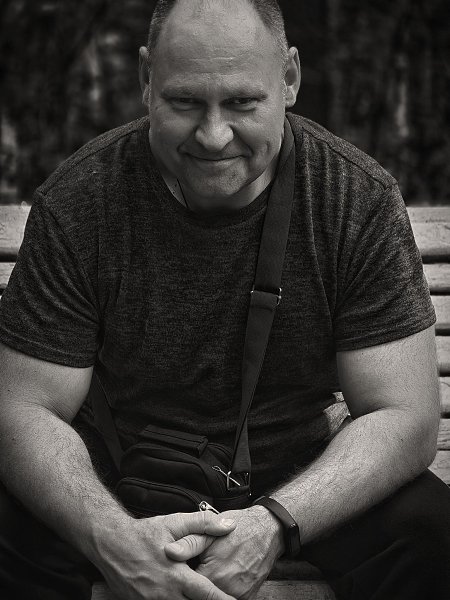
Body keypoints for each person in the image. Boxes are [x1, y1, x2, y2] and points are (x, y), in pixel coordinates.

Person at [0, 0, 449, 598]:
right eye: (185, 102)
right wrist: (112, 538)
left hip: (295, 473)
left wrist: (276, 523)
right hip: (118, 470)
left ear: (289, 79)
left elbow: (405, 416)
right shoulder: (80, 200)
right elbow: (24, 409)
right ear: (146, 80)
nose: (213, 136)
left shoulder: (355, 200)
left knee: (432, 533)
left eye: (242, 102)